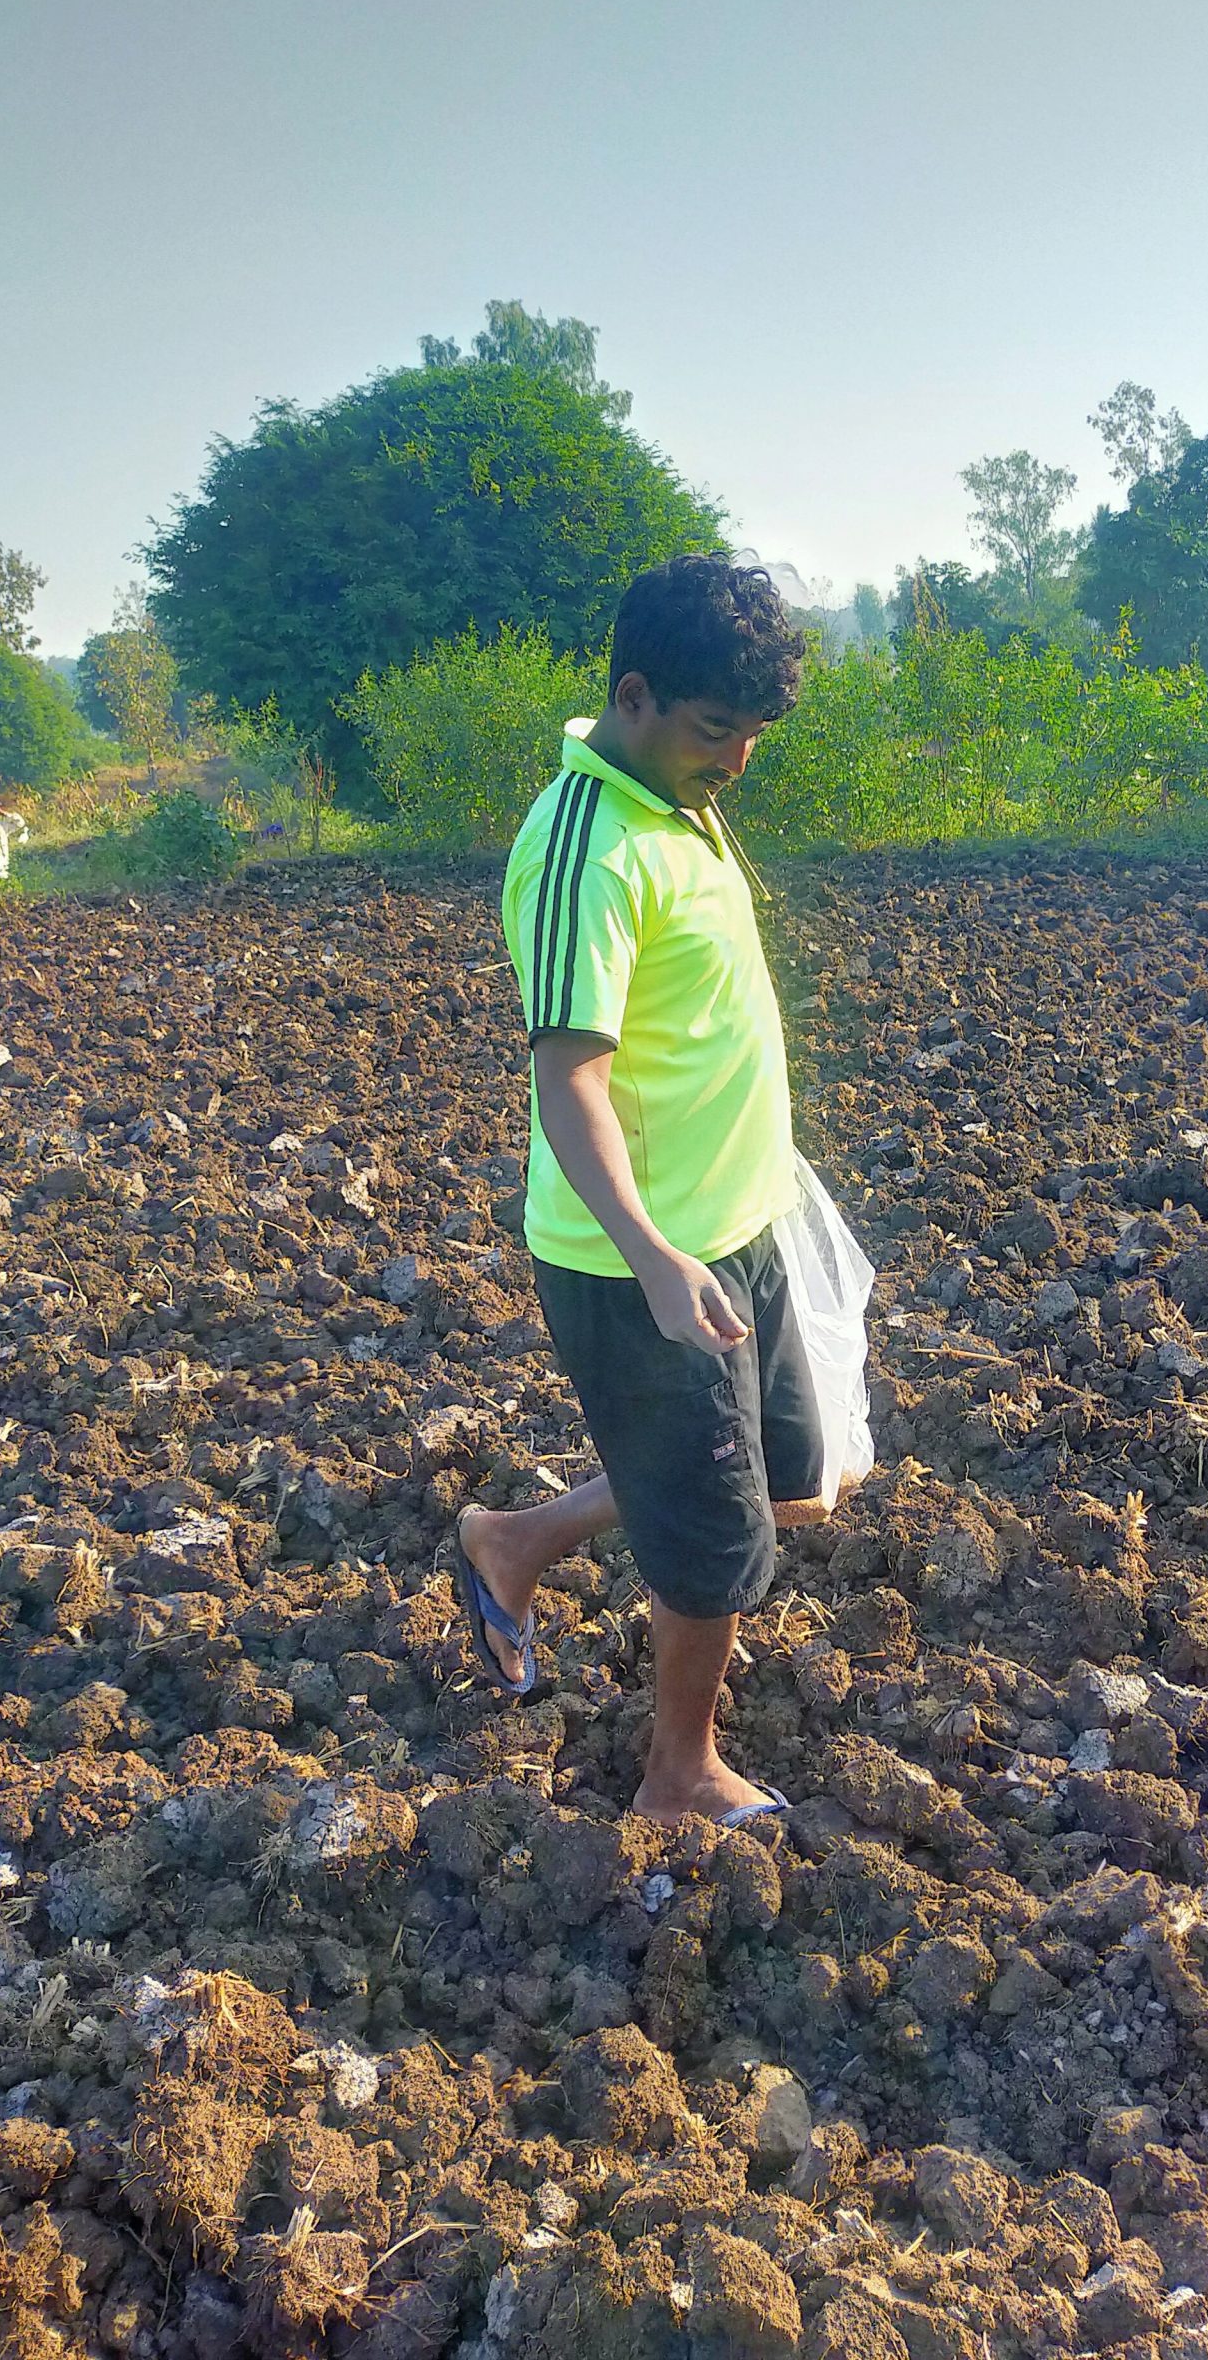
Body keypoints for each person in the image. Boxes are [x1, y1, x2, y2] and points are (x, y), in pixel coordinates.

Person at [456, 553, 824, 1826]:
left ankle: (518, 1538)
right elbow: (572, 1081)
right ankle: (677, 1774)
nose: (736, 762)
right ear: (632, 694)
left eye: (751, 736)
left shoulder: (677, 794)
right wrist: (658, 1257)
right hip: (642, 1260)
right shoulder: (584, 849)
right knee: (715, 1548)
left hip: (743, 1221)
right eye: (717, 731)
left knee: (785, 1483)